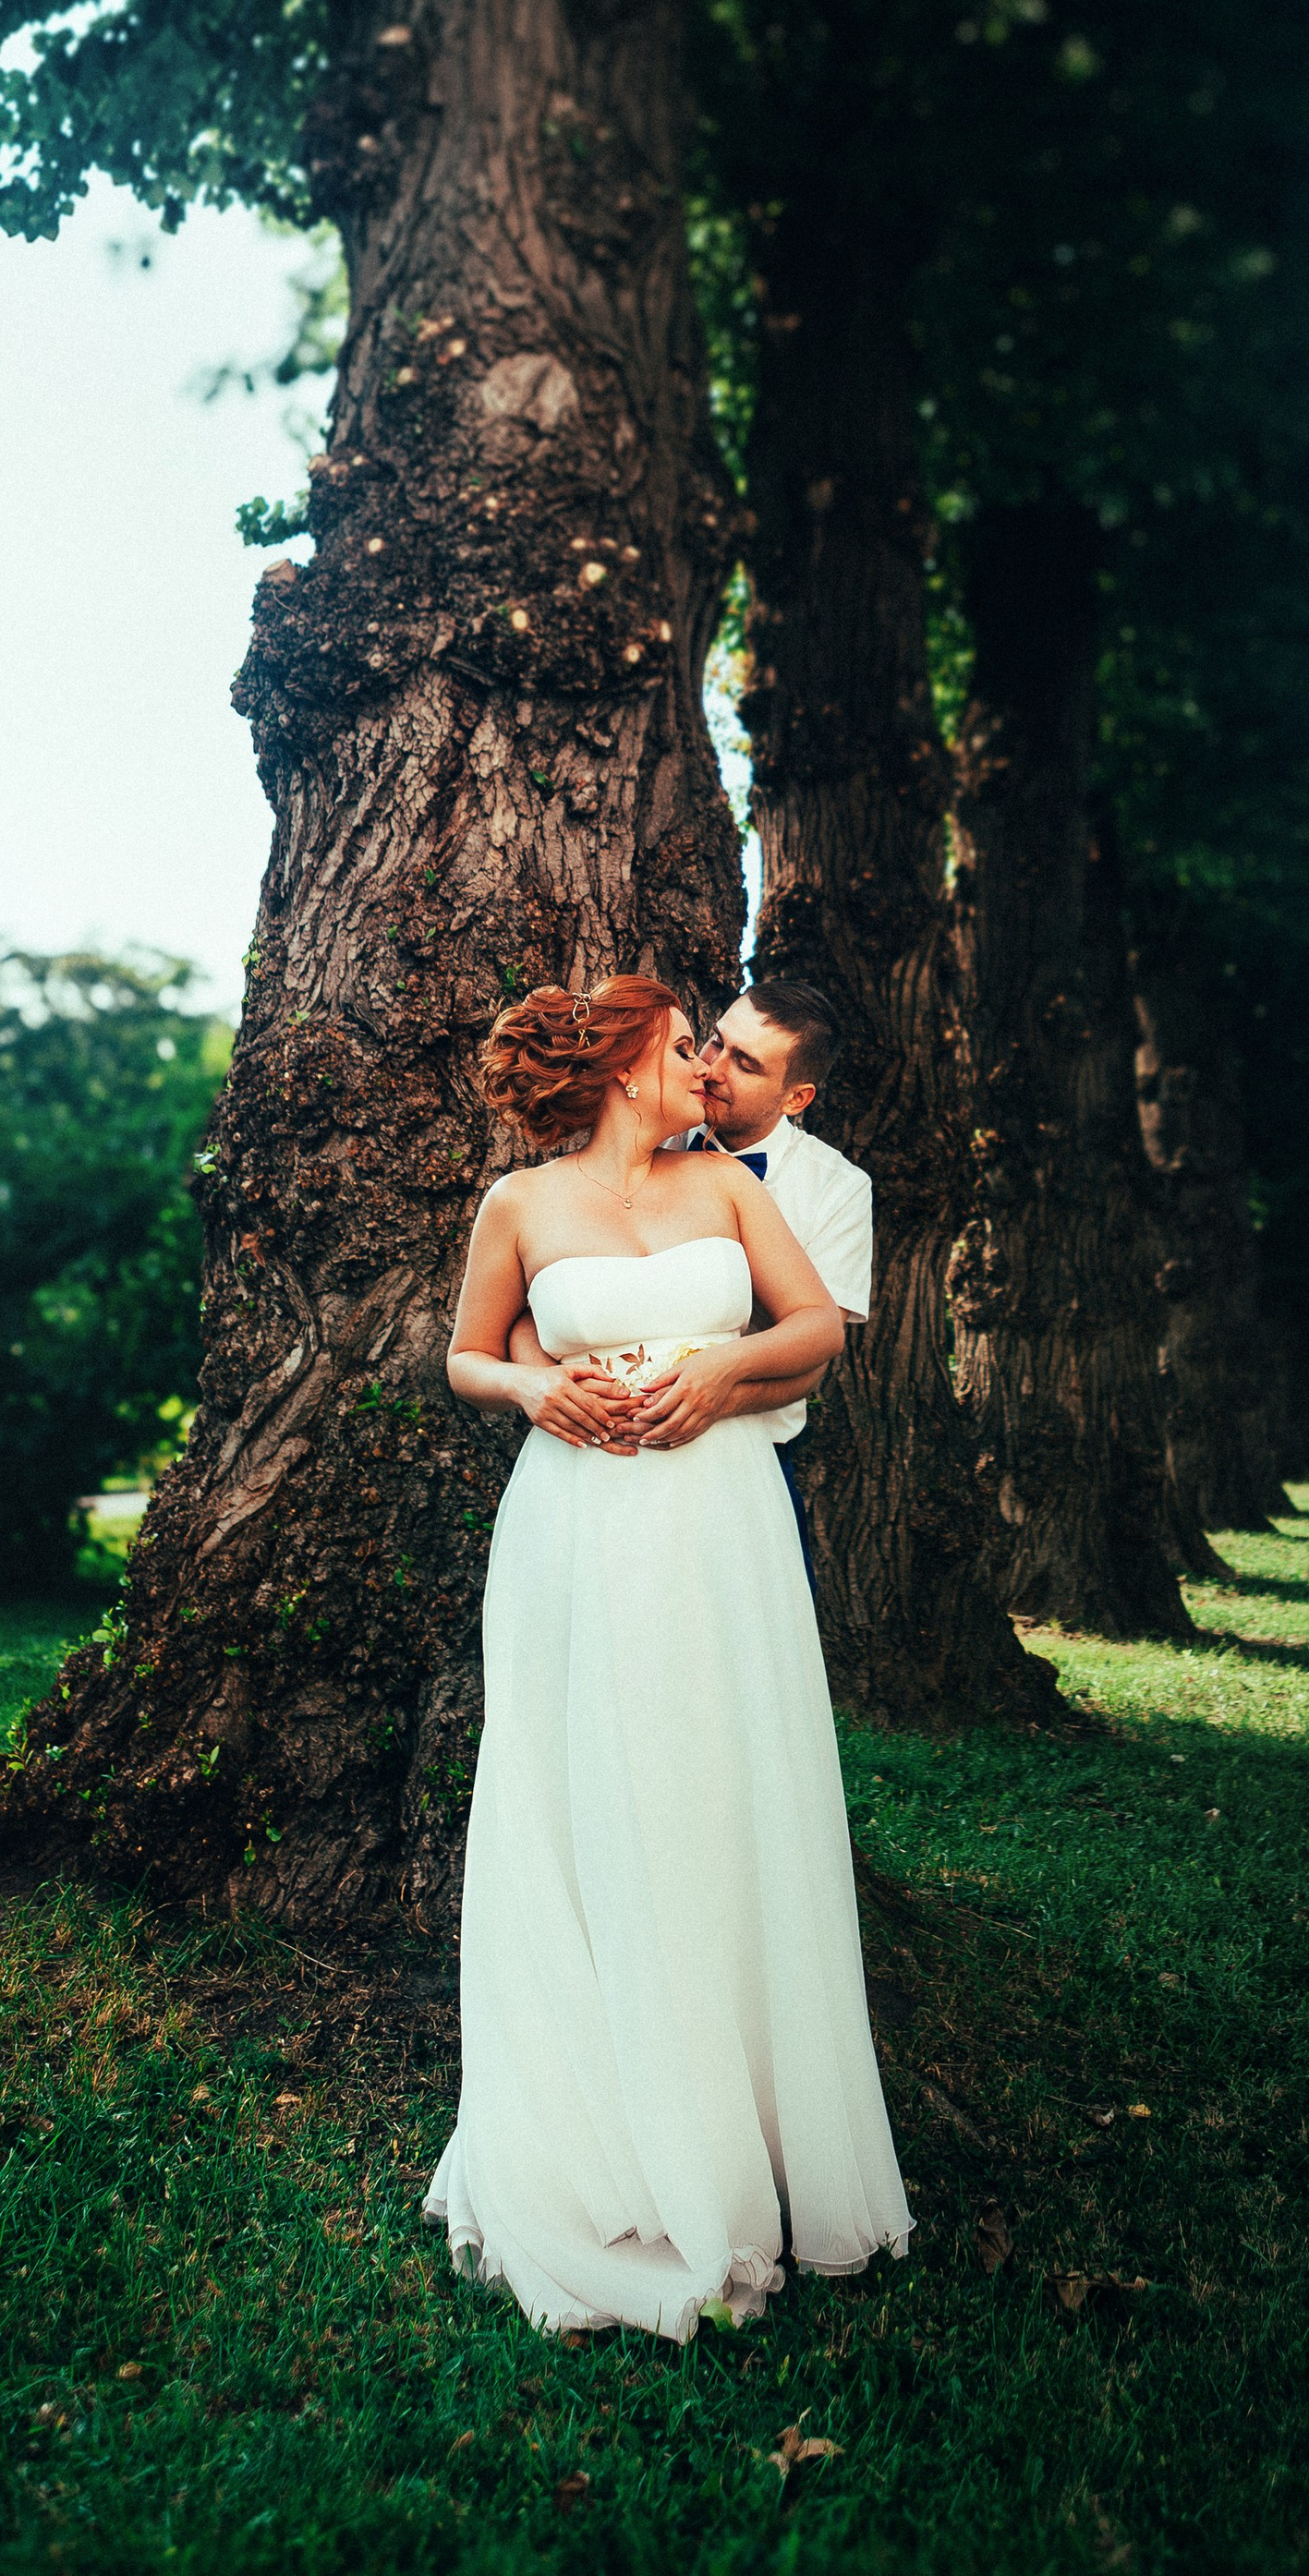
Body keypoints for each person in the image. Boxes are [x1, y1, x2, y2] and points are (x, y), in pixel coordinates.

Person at [422, 972, 913, 2342]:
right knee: (592, 1805)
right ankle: (600, 2131)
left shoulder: (730, 1189)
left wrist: (720, 1375)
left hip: (719, 1526)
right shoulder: (519, 1204)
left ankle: (743, 2127)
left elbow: (815, 1331)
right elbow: (466, 1357)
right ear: (626, 1063)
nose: (704, 1060)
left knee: (718, 1800)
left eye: (713, 1044)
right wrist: (533, 1384)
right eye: (682, 1042)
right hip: (575, 1528)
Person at [509, 974, 870, 1574]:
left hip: (742, 1451)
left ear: (795, 1099)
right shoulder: (651, 1123)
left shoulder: (836, 1192)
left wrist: (714, 1390)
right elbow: (541, 1301)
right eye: (713, 1043)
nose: (711, 1068)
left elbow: (812, 1357)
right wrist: (545, 1384)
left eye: (746, 1064)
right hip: (597, 1448)